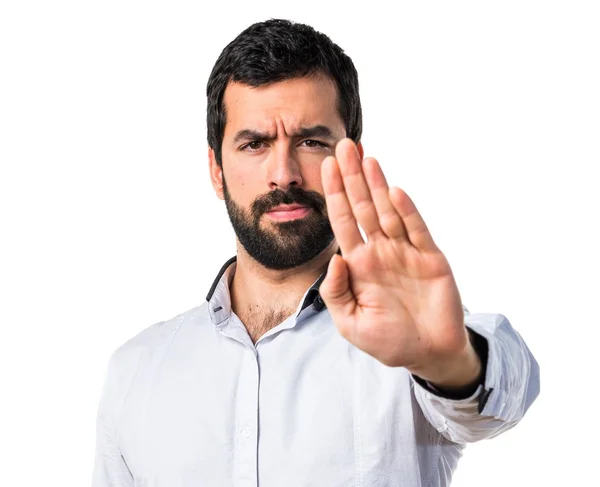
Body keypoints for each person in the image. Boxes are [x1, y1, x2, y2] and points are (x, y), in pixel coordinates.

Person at [92, 18, 540, 487]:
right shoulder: (136, 371)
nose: (283, 174)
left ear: (349, 157)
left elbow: (498, 398)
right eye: (254, 144)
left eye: (310, 142)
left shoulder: (406, 344)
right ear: (216, 170)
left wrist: (448, 363)